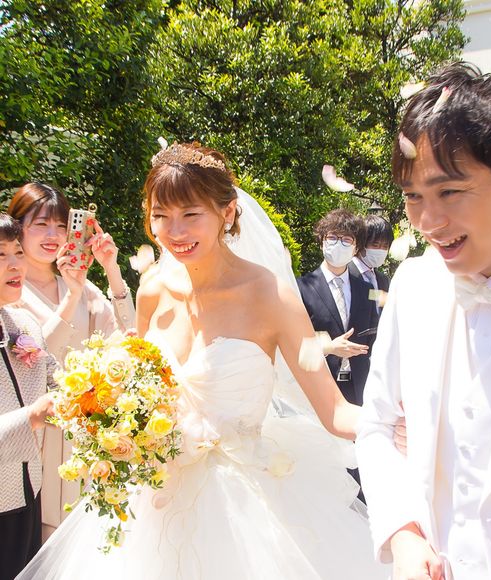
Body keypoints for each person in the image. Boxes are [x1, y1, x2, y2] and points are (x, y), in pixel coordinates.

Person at [17, 143, 388, 579]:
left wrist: (401, 424)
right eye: (160, 215)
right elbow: (142, 385)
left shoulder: (271, 295)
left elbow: (335, 411)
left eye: (191, 214)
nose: (174, 231)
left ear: (226, 213)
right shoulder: (152, 289)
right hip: (150, 505)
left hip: (245, 511)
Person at [356, 61, 491, 580]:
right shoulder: (414, 284)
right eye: (413, 196)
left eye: (450, 192)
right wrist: (403, 533)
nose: (428, 222)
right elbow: (378, 425)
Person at [7, 182, 136, 539]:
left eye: (61, 226)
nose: (53, 236)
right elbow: (31, 359)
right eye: (41, 225)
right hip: (36, 441)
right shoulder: (10, 291)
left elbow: (128, 337)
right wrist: (72, 297)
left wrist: (111, 269)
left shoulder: (79, 285)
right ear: (18, 228)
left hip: (83, 439)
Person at [0, 213, 56, 580]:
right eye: (1, 254)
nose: (15, 264)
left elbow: (58, 381)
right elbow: (37, 410)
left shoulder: (24, 325)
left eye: (18, 252)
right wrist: (31, 417)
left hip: (29, 490)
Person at [297, 209, 378, 407]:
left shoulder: (366, 290)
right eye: (332, 237)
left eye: (346, 240)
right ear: (322, 242)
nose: (338, 243)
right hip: (318, 387)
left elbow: (373, 337)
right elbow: (294, 342)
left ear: (356, 247)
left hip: (359, 389)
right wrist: (329, 348)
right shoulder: (302, 288)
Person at [351, 214, 394, 314]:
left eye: (385, 246)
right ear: (361, 244)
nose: (380, 250)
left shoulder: (383, 280)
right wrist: (378, 295)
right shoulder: (345, 273)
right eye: (375, 245)